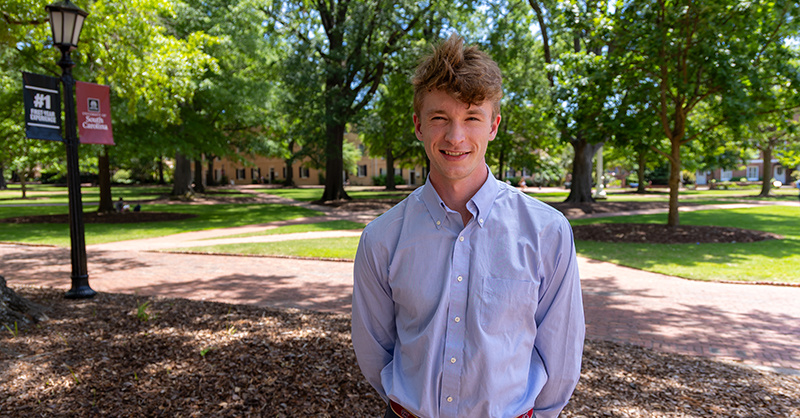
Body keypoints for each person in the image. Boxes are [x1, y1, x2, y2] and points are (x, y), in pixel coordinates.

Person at [352, 35, 585, 418]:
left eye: (472, 118)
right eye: (440, 118)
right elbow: (375, 349)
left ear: (493, 126)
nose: (455, 136)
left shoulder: (547, 233)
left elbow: (559, 354)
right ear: (418, 125)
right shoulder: (382, 239)